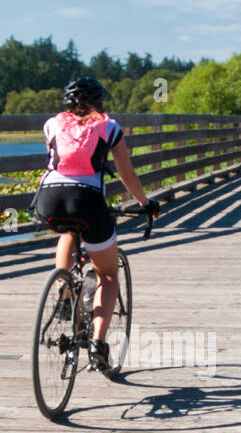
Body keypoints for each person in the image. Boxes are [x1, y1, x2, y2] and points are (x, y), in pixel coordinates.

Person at [31, 76, 159, 370]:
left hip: (48, 199)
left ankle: (63, 288)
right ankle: (98, 344)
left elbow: (55, 161)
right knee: (108, 275)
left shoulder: (51, 124)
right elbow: (127, 175)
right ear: (99, 103)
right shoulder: (110, 127)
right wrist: (145, 203)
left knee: (66, 229)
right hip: (87, 200)